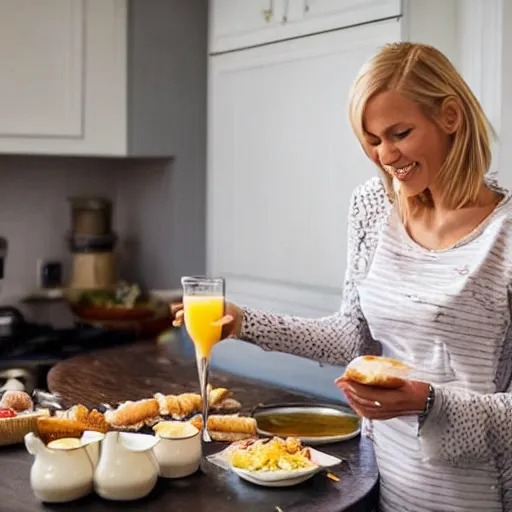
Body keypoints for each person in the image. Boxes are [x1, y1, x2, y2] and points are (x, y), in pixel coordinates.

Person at [173, 42, 512, 512]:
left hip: (477, 497)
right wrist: (245, 322)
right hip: (378, 485)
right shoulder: (373, 206)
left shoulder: (505, 234)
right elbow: (353, 337)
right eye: (372, 140)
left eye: (400, 133)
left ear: (450, 116)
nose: (386, 155)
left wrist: (428, 403)